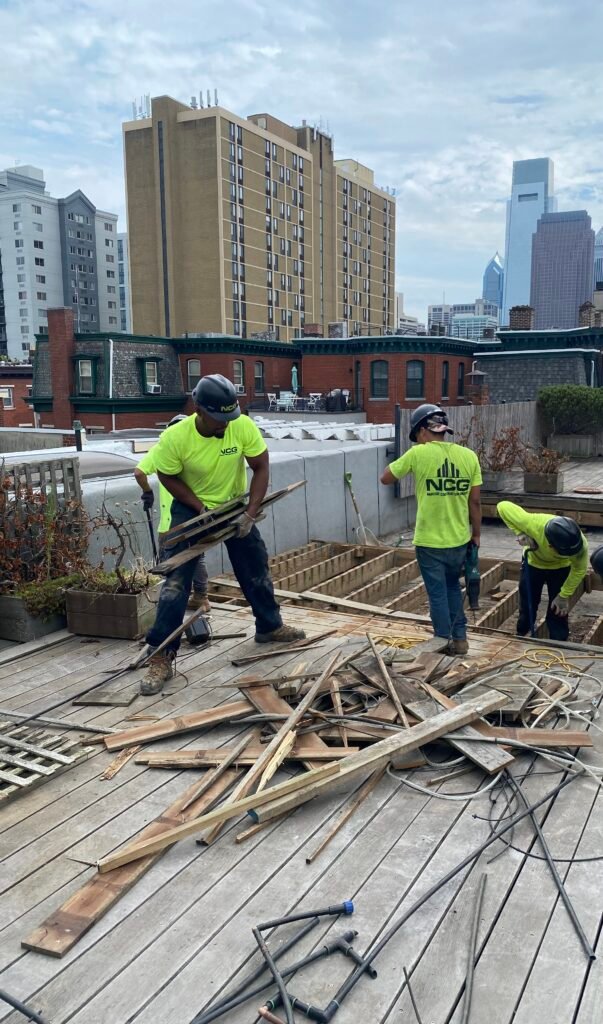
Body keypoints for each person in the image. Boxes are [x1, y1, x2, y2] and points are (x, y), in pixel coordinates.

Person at [140, 374, 305, 694]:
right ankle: (161, 654)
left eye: (230, 417)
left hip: (233, 505)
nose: (226, 425)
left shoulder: (240, 424)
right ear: (198, 410)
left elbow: (261, 466)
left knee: (255, 565)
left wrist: (250, 512)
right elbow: (167, 476)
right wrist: (199, 508)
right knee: (175, 582)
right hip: (191, 510)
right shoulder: (176, 438)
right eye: (220, 418)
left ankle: (269, 627)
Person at [380, 403, 482, 655]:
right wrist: (477, 534)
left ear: (424, 431)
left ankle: (442, 640)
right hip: (459, 540)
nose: (418, 441)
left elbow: (386, 477)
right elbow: (475, 502)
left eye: (417, 436)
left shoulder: (419, 453)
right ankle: (460, 639)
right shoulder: (469, 456)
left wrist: (415, 460)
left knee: (437, 593)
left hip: (429, 542)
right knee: (452, 588)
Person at [134, 415, 210, 614]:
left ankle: (171, 604)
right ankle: (202, 597)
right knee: (196, 555)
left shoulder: (163, 448)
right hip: (195, 514)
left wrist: (147, 491)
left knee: (171, 563)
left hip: (170, 521)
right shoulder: (197, 448)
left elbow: (140, 473)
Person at [497, 501, 588, 642]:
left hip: (561, 568)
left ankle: (559, 641)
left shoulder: (579, 544)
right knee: (528, 602)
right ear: (551, 546)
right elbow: (502, 506)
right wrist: (520, 533)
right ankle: (522, 633)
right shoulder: (532, 524)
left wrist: (564, 595)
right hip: (533, 564)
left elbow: (579, 569)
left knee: (558, 609)